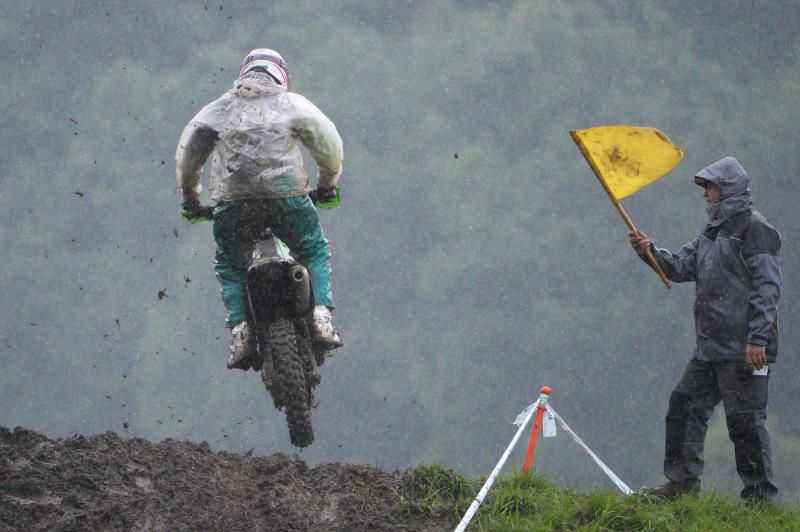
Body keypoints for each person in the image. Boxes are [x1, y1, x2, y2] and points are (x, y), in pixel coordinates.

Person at [175, 48, 344, 370]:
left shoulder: (216, 111)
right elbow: (329, 146)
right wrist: (327, 185)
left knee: (230, 264)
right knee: (313, 249)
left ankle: (240, 332)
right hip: (288, 199)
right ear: (281, 76)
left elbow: (188, 160)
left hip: (234, 206)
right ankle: (321, 316)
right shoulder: (292, 105)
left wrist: (190, 200)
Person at [630, 156, 782, 503]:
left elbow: (767, 287)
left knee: (745, 423)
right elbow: (679, 267)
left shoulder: (756, 229)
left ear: (726, 190)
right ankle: (681, 487)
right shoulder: (711, 233)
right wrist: (647, 251)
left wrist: (757, 338)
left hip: (745, 349)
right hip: (710, 348)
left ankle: (760, 500)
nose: (705, 194)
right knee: (683, 406)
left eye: (709, 187)